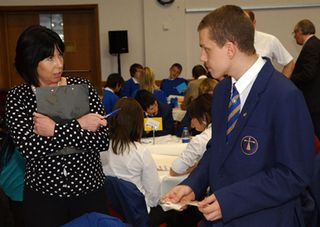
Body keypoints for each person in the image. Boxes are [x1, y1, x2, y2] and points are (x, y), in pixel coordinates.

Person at [164, 5, 315, 227]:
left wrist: (230, 200)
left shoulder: (284, 95)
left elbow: (294, 175)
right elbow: (217, 149)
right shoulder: (223, 91)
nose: (201, 56)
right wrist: (193, 184)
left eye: (206, 48)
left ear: (230, 49)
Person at [5, 25, 110, 227]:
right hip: (44, 196)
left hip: (89, 191)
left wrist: (55, 130)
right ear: (31, 61)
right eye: (50, 58)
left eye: (60, 56)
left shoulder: (83, 88)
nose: (59, 64)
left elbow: (101, 139)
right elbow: (30, 148)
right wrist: (80, 126)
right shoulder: (18, 98)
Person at [100, 98, 160, 212]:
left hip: (110, 210)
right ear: (138, 123)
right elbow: (154, 196)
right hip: (137, 212)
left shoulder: (101, 148)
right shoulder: (140, 152)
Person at [291, 19, 320, 140]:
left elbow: (308, 73)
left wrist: (290, 78)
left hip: (313, 101)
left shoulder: (311, 46)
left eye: (295, 33)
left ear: (301, 31)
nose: (294, 37)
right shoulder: (315, 43)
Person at [170, 94, 212, 176]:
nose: (192, 125)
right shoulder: (229, 129)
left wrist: (194, 168)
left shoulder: (201, 140)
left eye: (193, 118)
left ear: (204, 117)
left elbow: (175, 171)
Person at [245, 10, 295, 78]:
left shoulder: (270, 40)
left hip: (264, 86)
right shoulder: (231, 43)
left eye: (246, 23)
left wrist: (281, 85)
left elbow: (289, 63)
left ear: (254, 23)